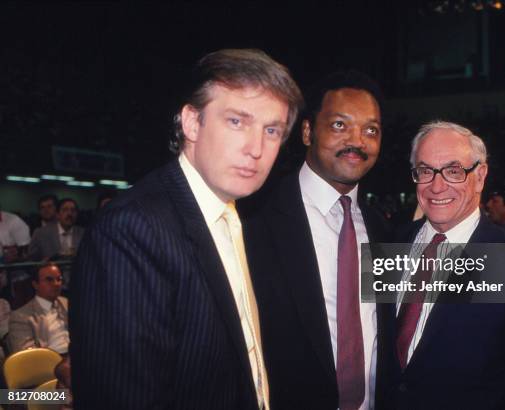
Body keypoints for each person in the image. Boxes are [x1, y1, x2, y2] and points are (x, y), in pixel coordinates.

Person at [70, 48, 302, 410]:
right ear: (191, 123)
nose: (256, 148)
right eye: (237, 121)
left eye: (271, 130)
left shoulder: (236, 216)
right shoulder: (132, 228)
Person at [242, 70, 393, 410]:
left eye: (371, 130)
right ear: (308, 131)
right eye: (340, 125)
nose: (357, 140)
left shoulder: (382, 230)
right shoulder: (253, 219)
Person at [392, 121, 505, 409]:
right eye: (425, 170)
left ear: (480, 176)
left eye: (453, 171)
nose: (436, 185)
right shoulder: (390, 246)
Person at [8, 263, 69, 354]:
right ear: (35, 284)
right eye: (49, 280)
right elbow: (27, 355)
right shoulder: (20, 317)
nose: (56, 284)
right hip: (50, 361)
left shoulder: (66, 303)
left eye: (59, 279)